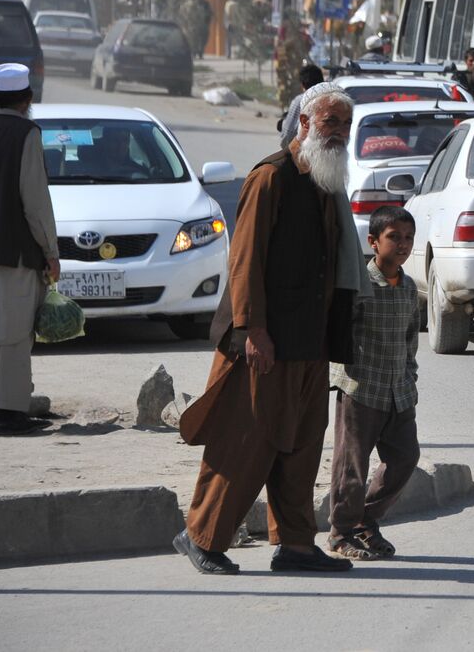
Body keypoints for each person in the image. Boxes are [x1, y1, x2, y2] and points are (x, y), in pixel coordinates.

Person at [173, 82, 367, 576]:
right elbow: (244, 260)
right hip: (266, 342)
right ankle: (201, 536)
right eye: (330, 123)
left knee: (303, 446)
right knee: (247, 442)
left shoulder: (326, 182)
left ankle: (297, 546)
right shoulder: (271, 177)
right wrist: (252, 329)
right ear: (303, 123)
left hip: (310, 342)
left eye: (346, 125)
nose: (340, 133)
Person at [327, 206, 421, 561]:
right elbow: (342, 331)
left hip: (399, 391)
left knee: (405, 457)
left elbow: (411, 338)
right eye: (394, 237)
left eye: (408, 237)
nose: (403, 245)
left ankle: (366, 518)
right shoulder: (360, 284)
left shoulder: (409, 287)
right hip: (361, 389)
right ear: (373, 241)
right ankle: (341, 533)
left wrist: (409, 377)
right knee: (352, 466)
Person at [0, 64, 58, 436]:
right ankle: (7, 413)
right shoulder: (28, 134)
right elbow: (35, 203)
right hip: (14, 254)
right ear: (27, 100)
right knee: (12, 334)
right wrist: (51, 251)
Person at [279, 64, 326, 150]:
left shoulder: (300, 101)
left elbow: (287, 134)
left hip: (304, 155)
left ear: (303, 84)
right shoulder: (331, 100)